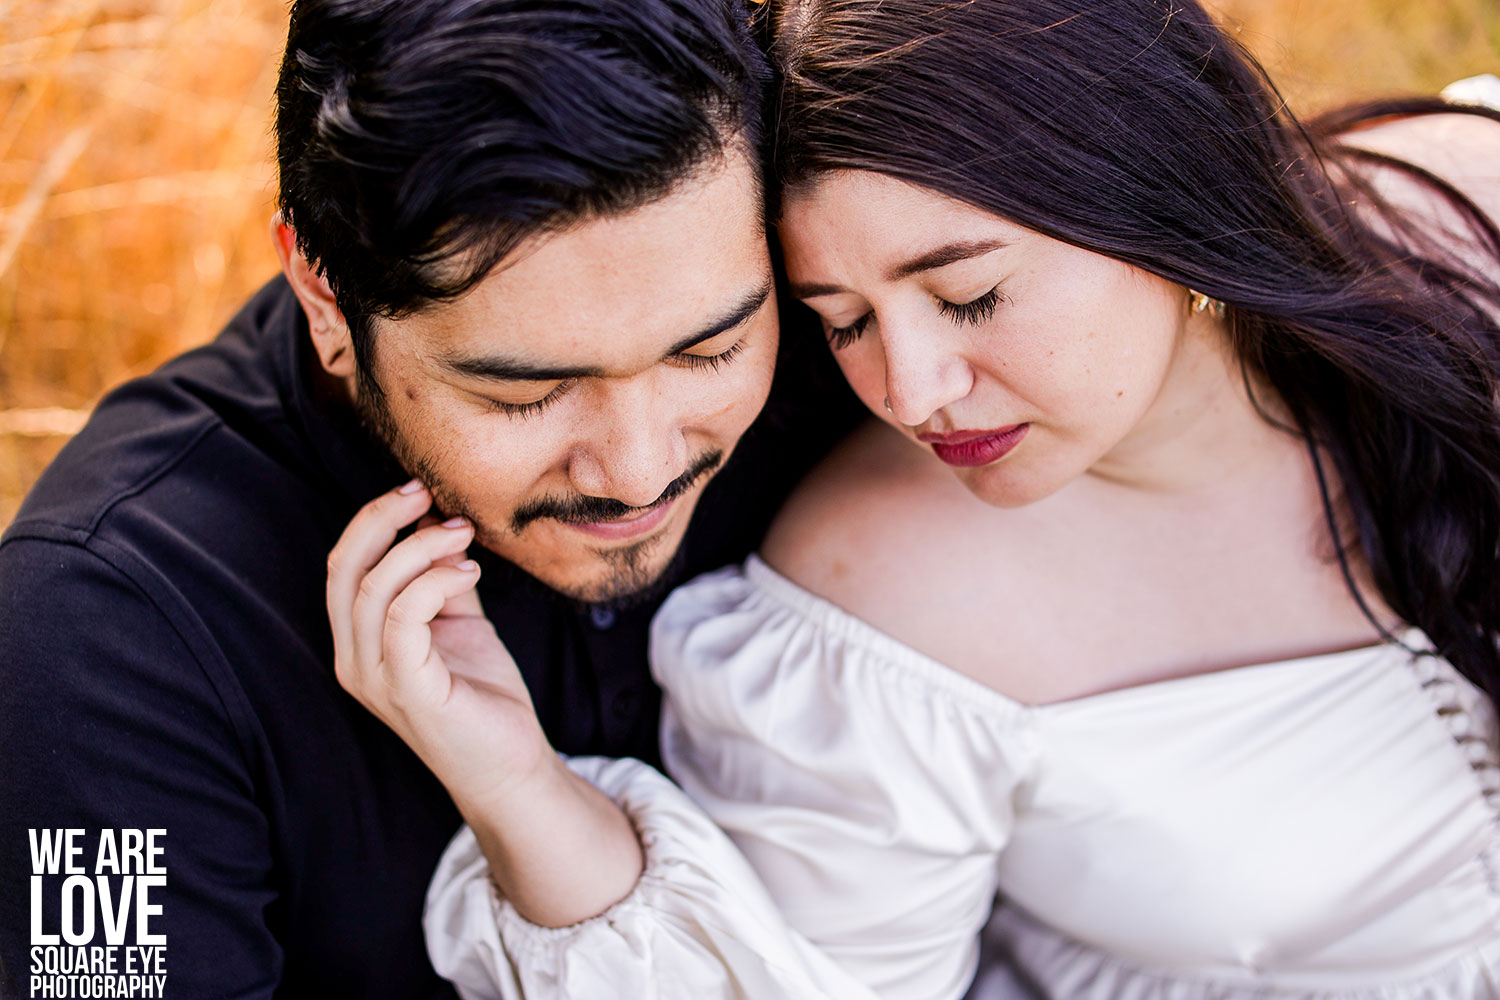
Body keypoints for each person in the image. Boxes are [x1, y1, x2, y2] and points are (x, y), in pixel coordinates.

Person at [377, 1, 1500, 998]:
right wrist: (521, 794)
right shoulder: (880, 602)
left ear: (1165, 203)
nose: (909, 393)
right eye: (844, 322)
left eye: (968, 295)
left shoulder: (1460, 222)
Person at [0, 0, 863, 995]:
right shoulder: (100, 632)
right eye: (525, 393)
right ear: (326, 301)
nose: (637, 470)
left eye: (709, 349)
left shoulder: (869, 350)